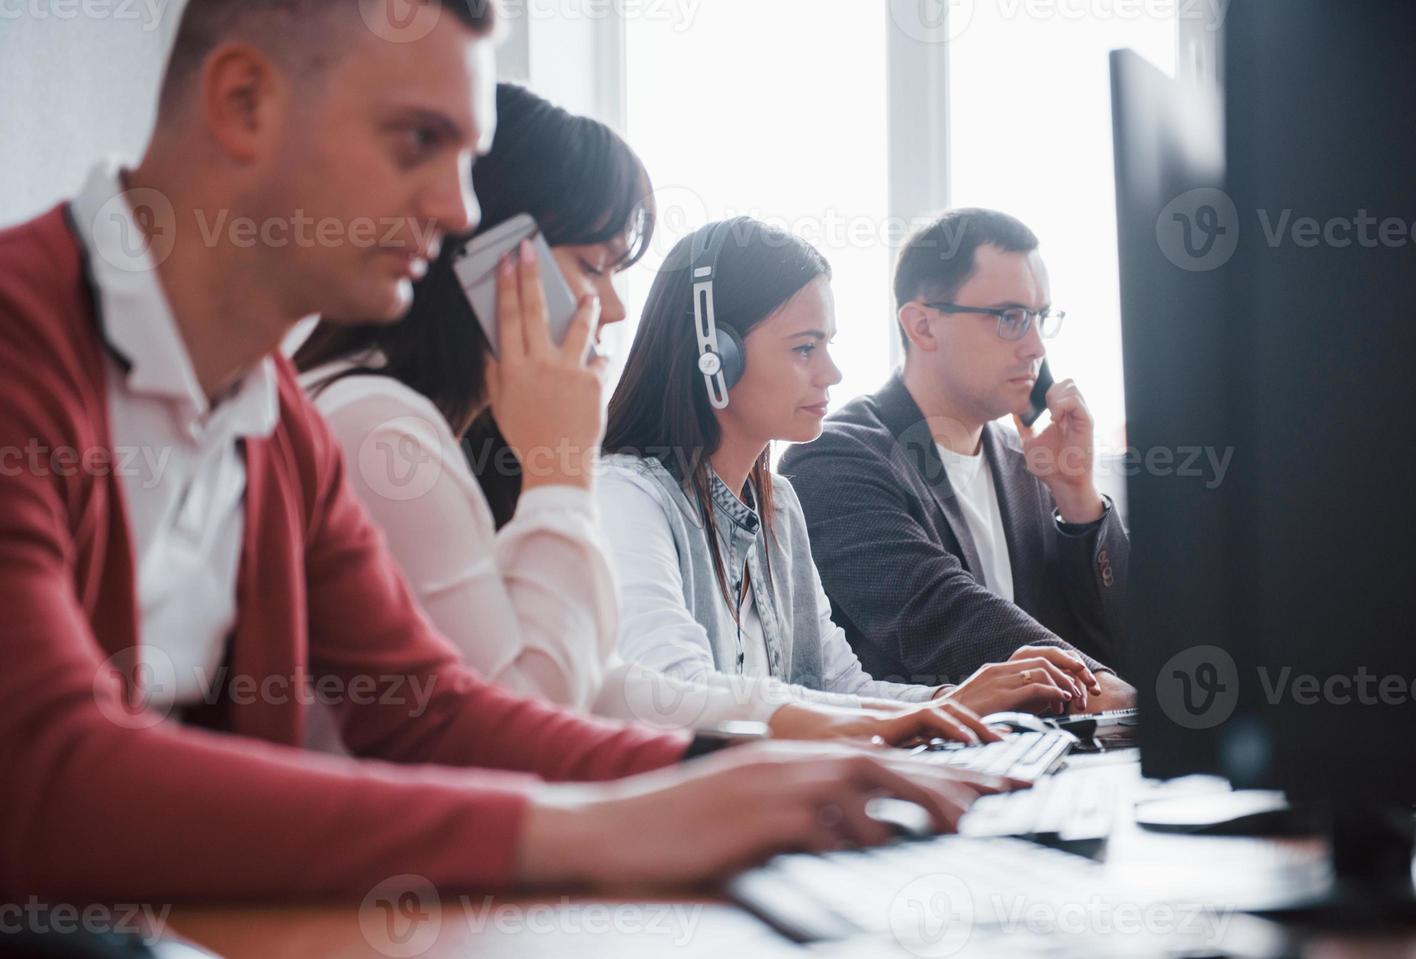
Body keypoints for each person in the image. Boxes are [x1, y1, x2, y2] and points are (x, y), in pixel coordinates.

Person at [0, 0, 994, 902]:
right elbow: (42, 772)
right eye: (418, 141)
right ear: (245, 100)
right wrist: (603, 824)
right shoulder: (21, 343)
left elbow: (433, 712)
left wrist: (731, 770)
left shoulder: (277, 419)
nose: (457, 211)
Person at [295, 84, 983, 747]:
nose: (613, 307)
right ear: (491, 262)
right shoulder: (386, 432)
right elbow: (533, 711)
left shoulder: (446, 442)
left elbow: (601, 685)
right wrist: (560, 466)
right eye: (593, 268)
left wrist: (878, 718)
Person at [598, 217, 1108, 723]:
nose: (831, 373)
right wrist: (932, 710)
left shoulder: (778, 506)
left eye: (828, 345)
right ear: (716, 356)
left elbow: (839, 686)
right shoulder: (627, 497)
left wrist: (949, 702)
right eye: (804, 348)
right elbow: (672, 693)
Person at [780, 208, 1135, 708]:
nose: (1034, 346)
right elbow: (941, 618)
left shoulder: (1028, 461)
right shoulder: (833, 460)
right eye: (1010, 318)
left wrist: (1078, 499)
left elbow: (1129, 642)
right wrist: (1123, 700)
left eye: (1039, 318)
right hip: (923, 769)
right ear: (923, 326)